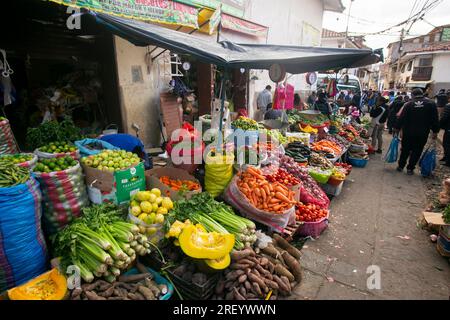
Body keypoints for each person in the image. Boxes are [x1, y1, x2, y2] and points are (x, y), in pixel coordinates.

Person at [394, 88, 439, 175]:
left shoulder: (409, 104)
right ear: (422, 94)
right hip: (422, 133)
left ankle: (400, 166)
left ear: (413, 95)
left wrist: (397, 128)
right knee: (417, 150)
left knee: (405, 149)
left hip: (408, 132)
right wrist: (435, 131)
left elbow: (401, 118)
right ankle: (410, 168)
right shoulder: (431, 104)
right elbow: (435, 119)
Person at [439, 91, 450, 165]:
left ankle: (448, 161)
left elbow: (444, 118)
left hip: (449, 128)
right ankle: (446, 157)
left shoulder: (448, 106)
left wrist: (439, 126)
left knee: (447, 144)